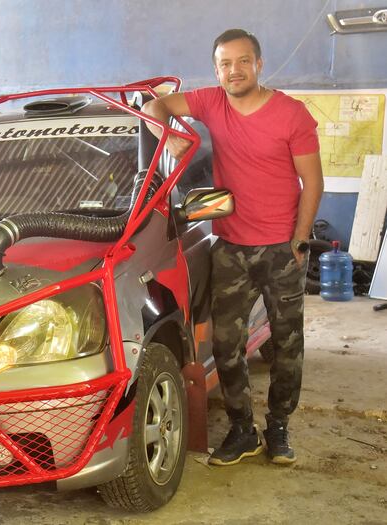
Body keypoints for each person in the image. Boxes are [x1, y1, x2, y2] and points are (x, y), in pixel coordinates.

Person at [143, 29, 323, 466]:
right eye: (225, 63)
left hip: (282, 248)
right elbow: (155, 104)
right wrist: (171, 135)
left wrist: (300, 239)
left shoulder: (291, 114)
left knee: (286, 345)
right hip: (230, 248)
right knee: (225, 346)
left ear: (259, 64)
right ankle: (243, 430)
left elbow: (312, 182)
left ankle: (278, 428)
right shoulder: (211, 102)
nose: (234, 70)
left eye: (243, 61)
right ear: (216, 70)